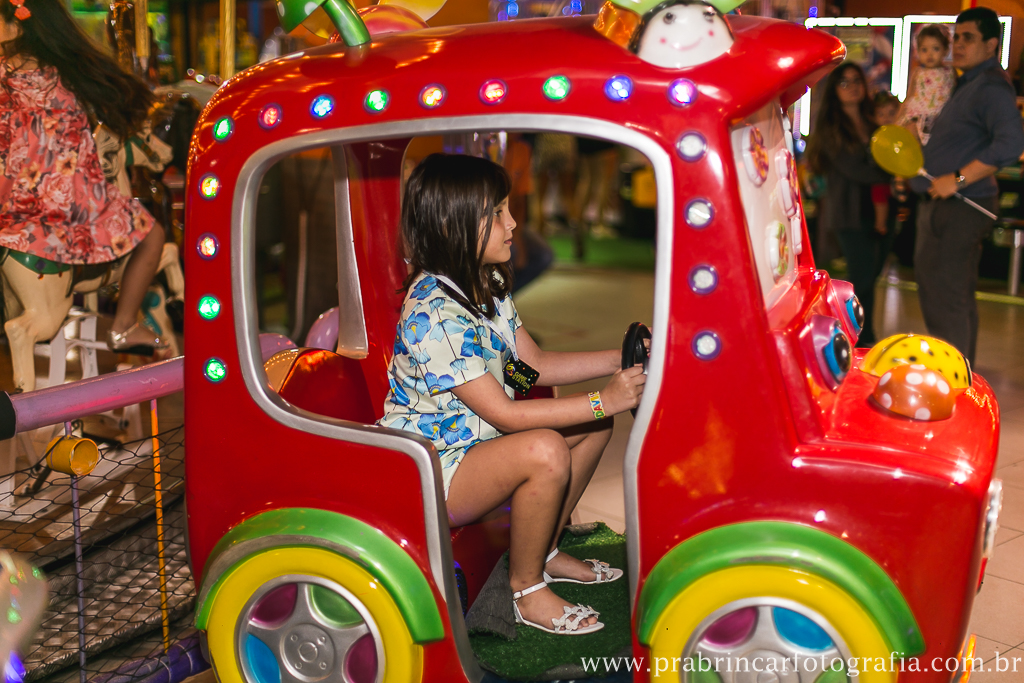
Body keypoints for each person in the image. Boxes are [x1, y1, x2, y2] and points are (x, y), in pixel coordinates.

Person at [378, 154, 646, 636]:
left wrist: (618, 360)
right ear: (451, 222)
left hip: (476, 449)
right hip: (436, 468)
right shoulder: (433, 313)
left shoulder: (484, 286)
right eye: (497, 213)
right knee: (545, 447)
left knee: (591, 427)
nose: (513, 222)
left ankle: (543, 552)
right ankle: (525, 590)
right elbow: (503, 412)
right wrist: (604, 398)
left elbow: (533, 366)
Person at [0, 0, 167, 352]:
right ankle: (124, 326)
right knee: (153, 236)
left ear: (16, 27)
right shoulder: (64, 73)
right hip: (69, 203)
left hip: (9, 203)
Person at [911, 7, 1024, 366]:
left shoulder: (990, 86)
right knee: (942, 290)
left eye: (968, 38)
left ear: (991, 43)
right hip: (947, 201)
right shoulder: (965, 82)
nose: (957, 44)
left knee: (948, 294)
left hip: (963, 203)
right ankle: (956, 374)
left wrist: (957, 178)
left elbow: (1010, 144)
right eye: (956, 37)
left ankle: (953, 383)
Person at [806, 62, 892, 346]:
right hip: (849, 212)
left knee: (870, 278)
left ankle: (861, 336)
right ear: (835, 90)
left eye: (857, 81)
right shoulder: (832, 127)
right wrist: (891, 171)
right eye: (845, 82)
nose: (853, 86)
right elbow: (855, 168)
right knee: (861, 279)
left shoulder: (873, 121)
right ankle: (858, 339)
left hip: (880, 210)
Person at [898, 24, 955, 145]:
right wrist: (897, 118)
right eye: (924, 50)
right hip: (916, 116)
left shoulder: (950, 71)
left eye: (935, 49)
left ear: (945, 50)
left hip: (939, 118)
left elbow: (955, 95)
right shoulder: (918, 72)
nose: (930, 54)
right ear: (918, 51)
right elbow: (909, 96)